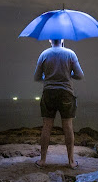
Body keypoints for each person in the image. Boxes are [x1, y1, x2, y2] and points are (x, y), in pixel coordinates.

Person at [33, 38, 84, 169]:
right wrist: (69, 73)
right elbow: (80, 75)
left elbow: (37, 76)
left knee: (47, 126)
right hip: (66, 93)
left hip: (49, 93)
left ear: (50, 40)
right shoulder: (70, 54)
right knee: (68, 125)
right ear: (62, 39)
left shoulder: (44, 54)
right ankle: (71, 162)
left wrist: (48, 76)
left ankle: (42, 160)